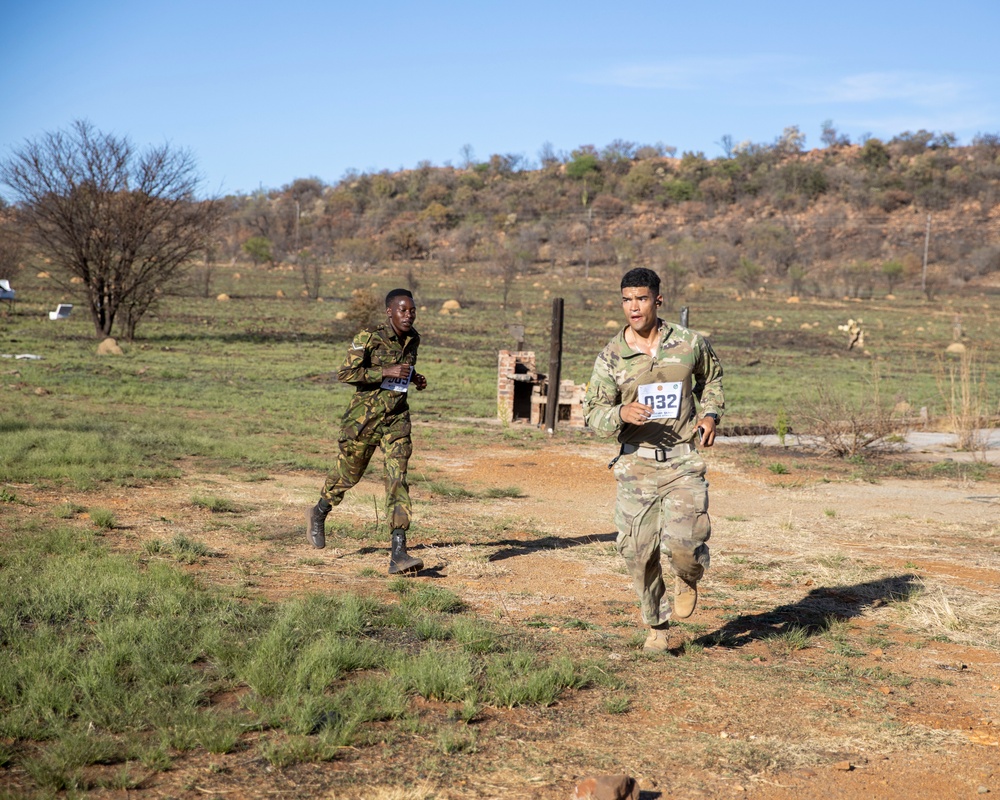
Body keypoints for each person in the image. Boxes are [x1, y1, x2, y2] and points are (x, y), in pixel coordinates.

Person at [583, 268, 725, 652]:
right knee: (637, 552)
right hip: (636, 464)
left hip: (682, 460)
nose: (634, 307)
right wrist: (619, 414)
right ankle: (657, 627)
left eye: (641, 299)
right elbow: (592, 413)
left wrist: (710, 415)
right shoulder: (612, 355)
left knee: (686, 545)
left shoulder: (690, 343)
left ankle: (688, 575)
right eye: (627, 300)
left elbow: (711, 380)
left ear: (657, 300)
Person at [307, 288, 428, 575]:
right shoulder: (369, 337)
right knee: (349, 474)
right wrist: (384, 371)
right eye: (402, 310)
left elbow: (404, 371)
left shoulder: (414, 340)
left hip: (397, 420)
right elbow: (345, 374)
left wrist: (415, 378)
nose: (408, 315)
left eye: (412, 310)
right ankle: (320, 510)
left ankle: (398, 552)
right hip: (365, 420)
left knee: (397, 478)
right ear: (389, 312)